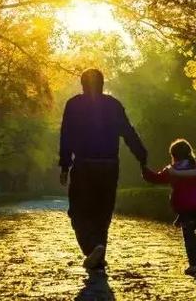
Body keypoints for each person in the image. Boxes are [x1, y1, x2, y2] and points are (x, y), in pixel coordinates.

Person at [59, 68, 147, 275]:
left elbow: (66, 135)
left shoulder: (74, 104)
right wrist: (142, 157)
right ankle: (99, 257)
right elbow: (128, 131)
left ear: (82, 84)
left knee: (79, 211)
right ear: (103, 83)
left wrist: (64, 165)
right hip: (109, 165)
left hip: (84, 165)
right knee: (103, 211)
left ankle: (92, 248)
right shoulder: (114, 105)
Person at [142, 138, 196, 275]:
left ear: (174, 155)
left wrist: (145, 171)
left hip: (185, 208)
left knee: (187, 233)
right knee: (189, 231)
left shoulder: (173, 170)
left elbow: (157, 179)